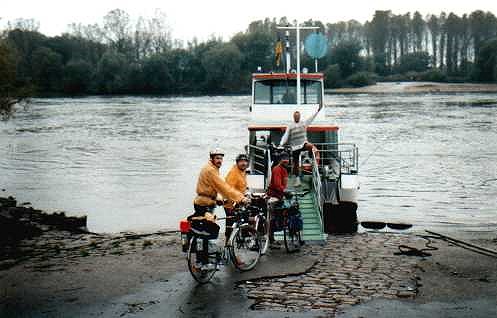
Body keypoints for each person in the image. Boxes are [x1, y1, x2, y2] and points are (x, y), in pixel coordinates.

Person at [192, 148, 249, 267]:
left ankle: (200, 260)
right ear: (211, 158)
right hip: (205, 205)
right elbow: (224, 188)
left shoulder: (210, 168)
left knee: (202, 232)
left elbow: (210, 188)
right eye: (217, 158)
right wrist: (241, 198)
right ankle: (205, 262)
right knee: (210, 231)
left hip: (204, 201)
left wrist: (217, 199)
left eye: (221, 158)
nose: (220, 161)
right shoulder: (211, 170)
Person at [279, 102, 323, 186]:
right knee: (295, 163)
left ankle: (311, 159)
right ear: (293, 117)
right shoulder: (290, 126)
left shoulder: (304, 123)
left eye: (298, 116)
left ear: (300, 117)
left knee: (311, 147)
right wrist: (281, 144)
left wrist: (317, 111)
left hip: (303, 144)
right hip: (295, 147)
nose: (297, 117)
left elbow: (311, 118)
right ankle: (297, 179)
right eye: (295, 116)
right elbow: (286, 136)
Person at [266, 152, 290, 248]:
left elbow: (282, 184)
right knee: (273, 218)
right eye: (284, 158)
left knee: (278, 217)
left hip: (279, 196)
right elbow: (277, 185)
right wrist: (285, 191)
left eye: (287, 158)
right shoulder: (277, 169)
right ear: (280, 160)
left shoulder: (284, 170)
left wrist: (284, 192)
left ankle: (272, 238)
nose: (286, 160)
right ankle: (271, 240)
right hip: (274, 196)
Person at [224, 153, 249, 240]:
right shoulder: (234, 173)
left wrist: (246, 193)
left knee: (244, 216)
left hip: (238, 201)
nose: (243, 163)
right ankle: (227, 244)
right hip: (231, 203)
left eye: (245, 161)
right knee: (230, 225)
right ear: (237, 162)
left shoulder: (242, 172)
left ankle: (241, 237)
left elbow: (241, 186)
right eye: (241, 161)